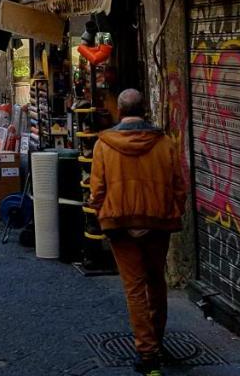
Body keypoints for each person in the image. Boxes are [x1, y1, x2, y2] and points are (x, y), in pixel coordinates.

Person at [89, 89, 188, 376]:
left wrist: (102, 212)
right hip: (158, 223)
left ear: (120, 111)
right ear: (145, 109)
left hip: (120, 224)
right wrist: (172, 211)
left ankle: (147, 354)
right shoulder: (165, 144)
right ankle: (156, 340)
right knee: (156, 282)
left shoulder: (105, 145)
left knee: (134, 289)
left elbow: (97, 190)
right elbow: (179, 185)